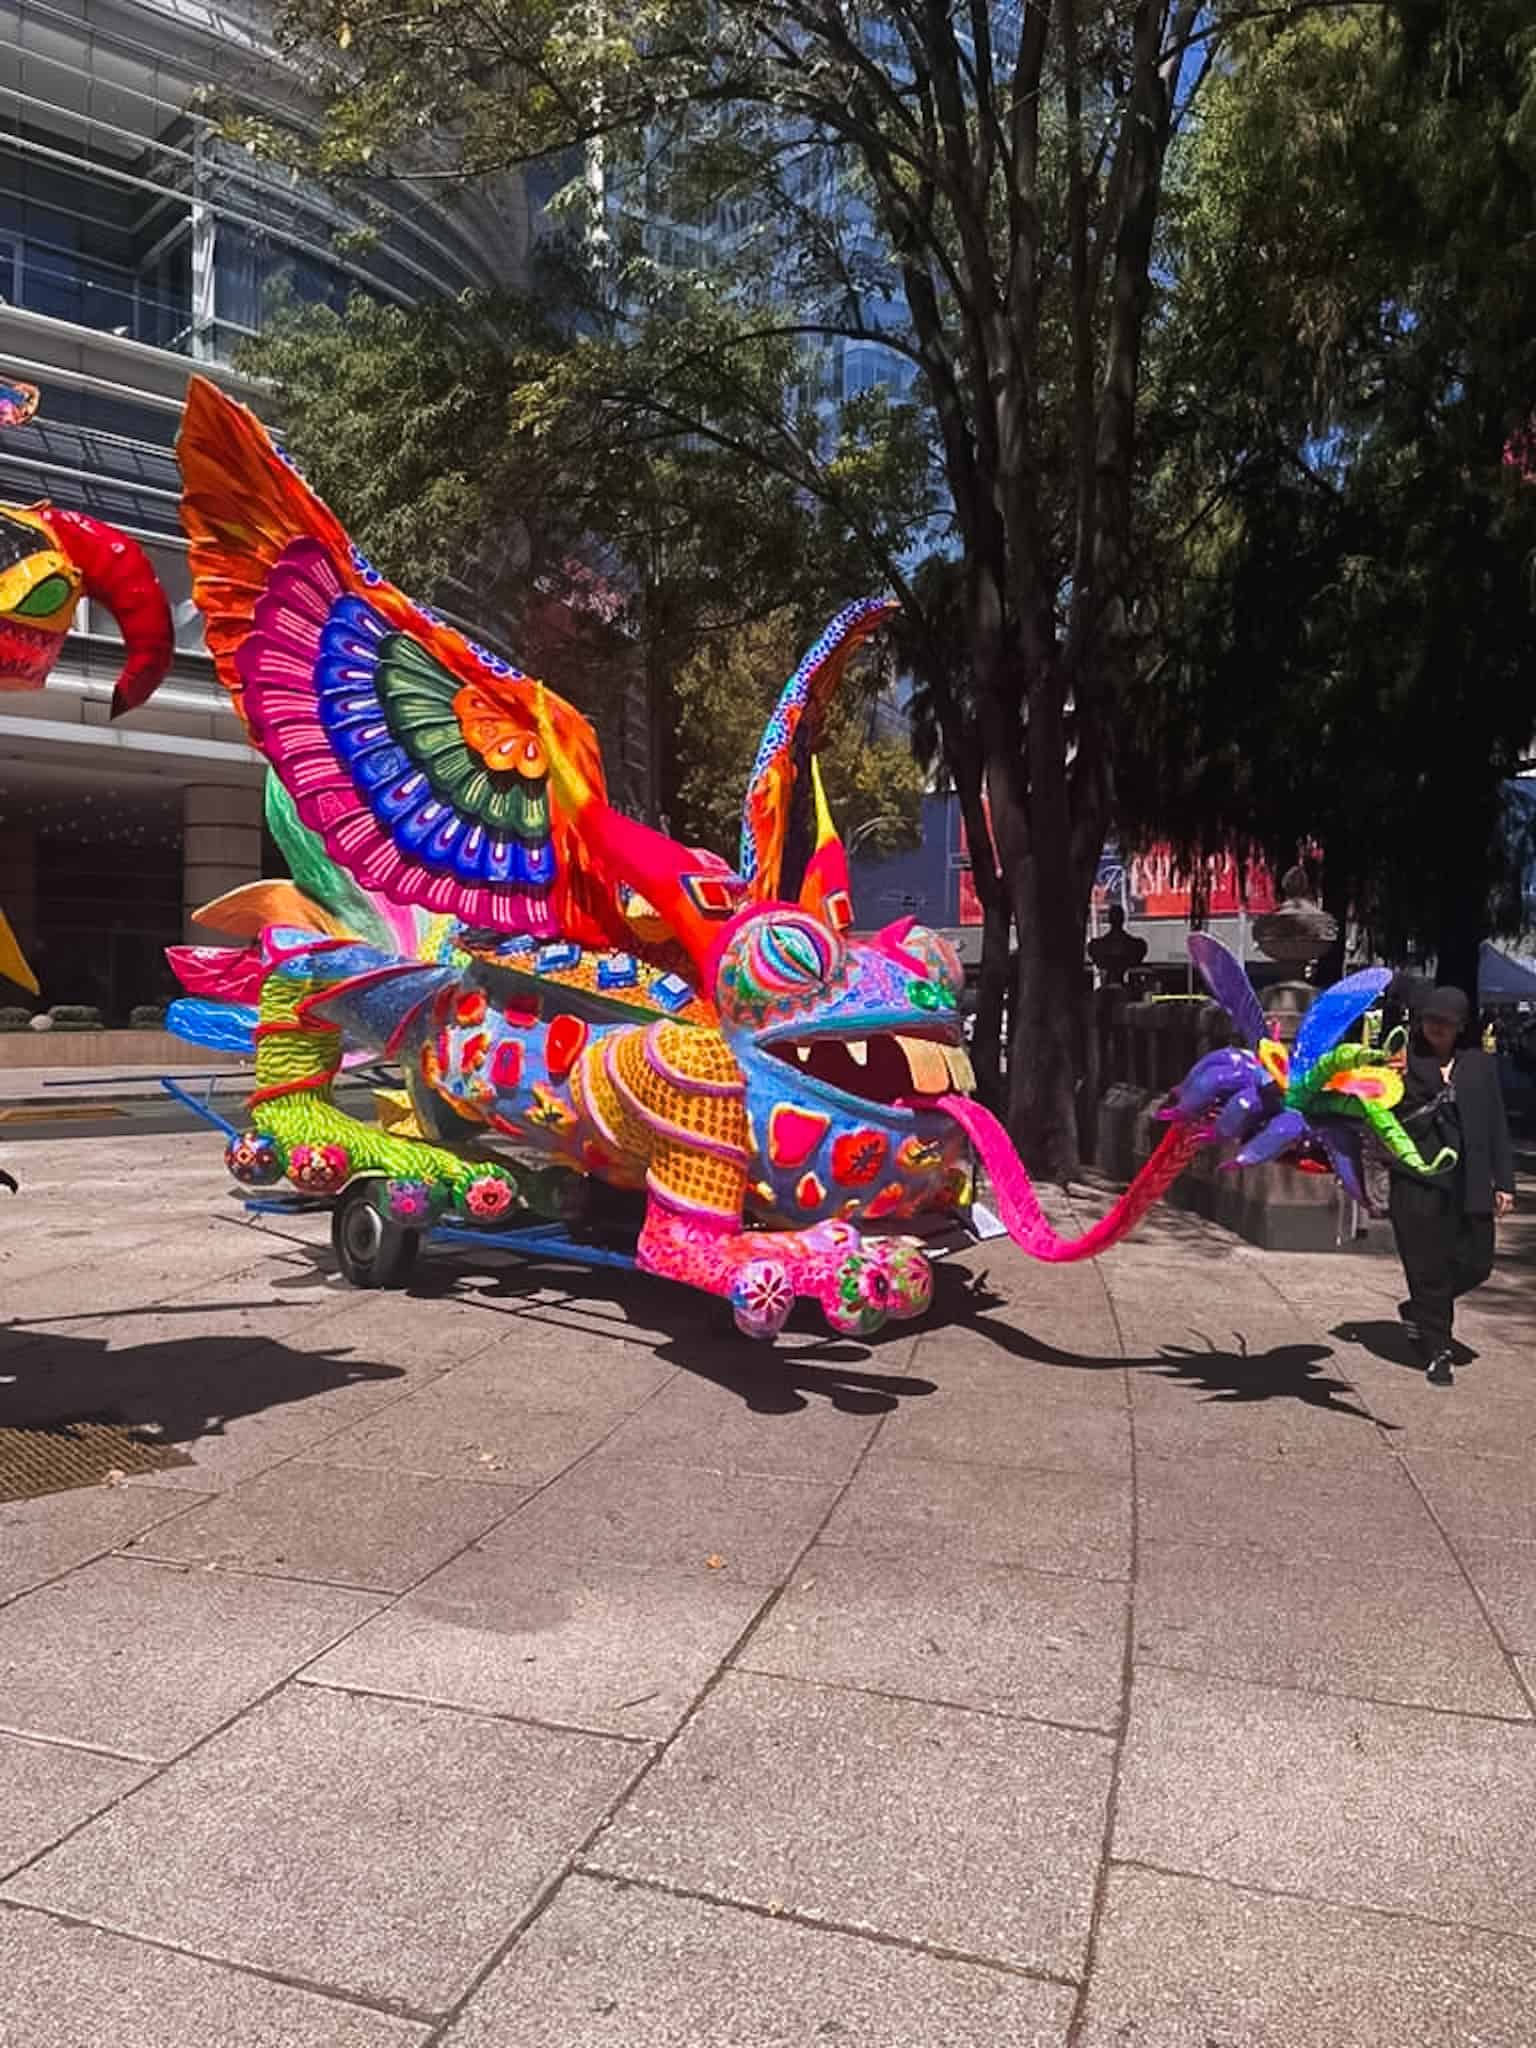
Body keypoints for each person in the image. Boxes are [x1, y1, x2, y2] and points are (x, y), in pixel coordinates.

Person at [1388, 984, 1515, 1386]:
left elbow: (1496, 1124)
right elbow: (1376, 1111)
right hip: (1418, 1180)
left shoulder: (1479, 1064)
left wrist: (1505, 1182)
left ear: (1460, 1026)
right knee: (1428, 1268)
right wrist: (1385, 1081)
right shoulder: (1402, 1061)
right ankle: (1437, 1350)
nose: (1436, 1029)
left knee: (1477, 1263)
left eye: (1445, 1022)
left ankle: (1419, 1310)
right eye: (1429, 1020)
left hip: (1471, 1181)